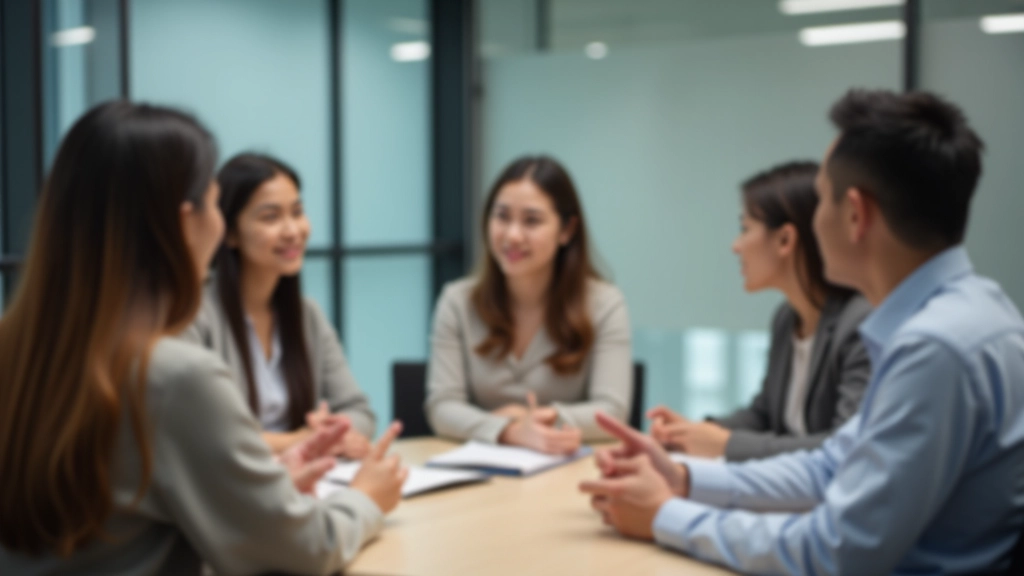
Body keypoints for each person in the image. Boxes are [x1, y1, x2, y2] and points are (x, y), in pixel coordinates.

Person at [579, 89, 1024, 575]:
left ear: (855, 214)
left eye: (821, 198)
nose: (815, 220)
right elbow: (833, 464)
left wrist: (667, 515)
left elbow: (834, 550)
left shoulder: (936, 348)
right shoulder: (970, 313)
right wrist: (684, 477)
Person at [0, 101, 406, 575]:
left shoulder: (19, 347)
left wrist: (260, 488)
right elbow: (306, 551)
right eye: (216, 204)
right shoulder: (173, 374)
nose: (292, 229)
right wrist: (364, 499)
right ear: (183, 221)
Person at [647, 162, 872, 462]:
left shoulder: (860, 323)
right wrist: (695, 432)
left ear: (785, 240)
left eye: (745, 228)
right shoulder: (786, 318)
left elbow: (843, 447)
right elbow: (764, 414)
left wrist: (726, 444)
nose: (735, 246)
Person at [426, 155, 632, 454]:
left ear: (567, 230)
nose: (512, 235)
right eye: (502, 216)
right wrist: (508, 432)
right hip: (481, 473)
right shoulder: (457, 301)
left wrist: (531, 422)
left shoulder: (604, 304)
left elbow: (612, 411)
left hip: (565, 470)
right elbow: (442, 408)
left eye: (531, 220)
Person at [183, 153, 375, 458]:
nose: (292, 230)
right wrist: (301, 440)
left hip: (306, 481)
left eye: (297, 212)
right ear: (230, 232)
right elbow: (203, 433)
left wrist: (340, 432)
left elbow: (358, 410)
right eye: (270, 217)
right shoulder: (194, 314)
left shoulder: (307, 314)